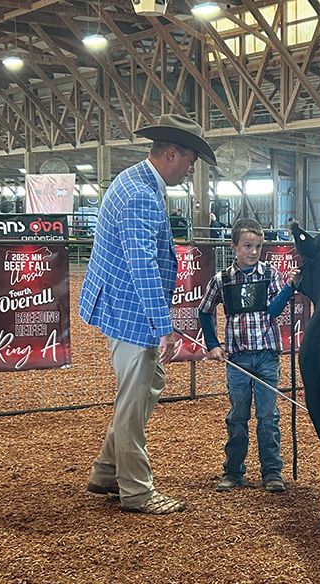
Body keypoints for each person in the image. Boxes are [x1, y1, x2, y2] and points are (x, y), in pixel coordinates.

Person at [79, 113, 217, 515]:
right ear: (171, 153)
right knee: (134, 398)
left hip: (123, 306)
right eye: (191, 160)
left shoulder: (135, 181)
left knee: (143, 387)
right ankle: (137, 491)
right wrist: (165, 327)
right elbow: (142, 266)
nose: (191, 170)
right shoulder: (141, 193)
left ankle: (106, 470)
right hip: (131, 311)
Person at [198, 218, 300, 494]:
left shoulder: (270, 274)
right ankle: (233, 471)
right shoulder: (223, 279)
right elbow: (204, 310)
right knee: (237, 417)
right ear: (234, 247)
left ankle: (272, 472)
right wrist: (213, 344)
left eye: (257, 246)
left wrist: (290, 286)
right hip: (237, 359)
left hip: (267, 356)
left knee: (268, 416)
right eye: (247, 246)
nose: (253, 251)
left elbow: (273, 310)